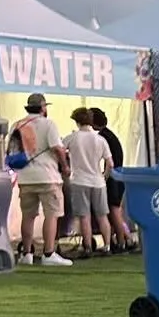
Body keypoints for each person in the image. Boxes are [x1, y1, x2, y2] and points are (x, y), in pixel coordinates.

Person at [11, 93, 72, 266]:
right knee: (52, 214)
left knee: (28, 216)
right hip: (47, 175)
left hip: (25, 177)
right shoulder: (49, 124)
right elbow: (57, 148)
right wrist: (65, 166)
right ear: (43, 107)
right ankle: (48, 253)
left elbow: (13, 150)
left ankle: (27, 253)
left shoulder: (17, 125)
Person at [62, 107, 113, 258]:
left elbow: (59, 151)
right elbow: (110, 163)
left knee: (84, 216)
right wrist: (104, 176)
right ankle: (107, 246)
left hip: (79, 181)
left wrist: (65, 167)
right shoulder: (100, 140)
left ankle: (88, 247)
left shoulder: (72, 138)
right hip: (98, 182)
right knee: (102, 215)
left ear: (77, 121)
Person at [89, 107, 137, 253]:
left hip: (113, 178)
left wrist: (105, 176)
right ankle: (126, 238)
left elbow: (110, 162)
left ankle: (122, 242)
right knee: (116, 211)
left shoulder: (103, 137)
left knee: (114, 211)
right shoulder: (109, 135)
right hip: (118, 177)